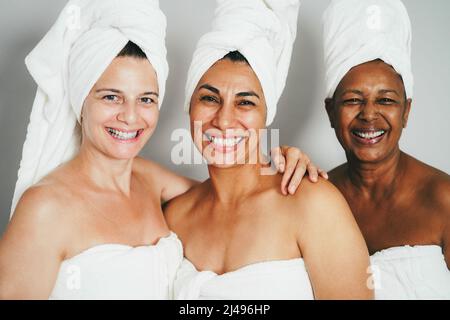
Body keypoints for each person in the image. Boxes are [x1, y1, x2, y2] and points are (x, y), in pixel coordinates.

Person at [0, 0, 321, 299]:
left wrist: (280, 159)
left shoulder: (151, 182)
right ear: (80, 100)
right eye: (111, 96)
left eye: (146, 99)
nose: (129, 116)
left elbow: (234, 198)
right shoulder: (45, 209)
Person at [165, 0, 373, 300]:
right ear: (189, 105)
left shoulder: (312, 204)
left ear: (266, 115)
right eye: (210, 98)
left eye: (245, 102)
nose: (223, 120)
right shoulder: (174, 217)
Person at [322, 0, 450, 299]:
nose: (369, 115)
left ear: (406, 111)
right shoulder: (316, 196)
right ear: (331, 111)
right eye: (353, 99)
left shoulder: (444, 198)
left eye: (386, 100)